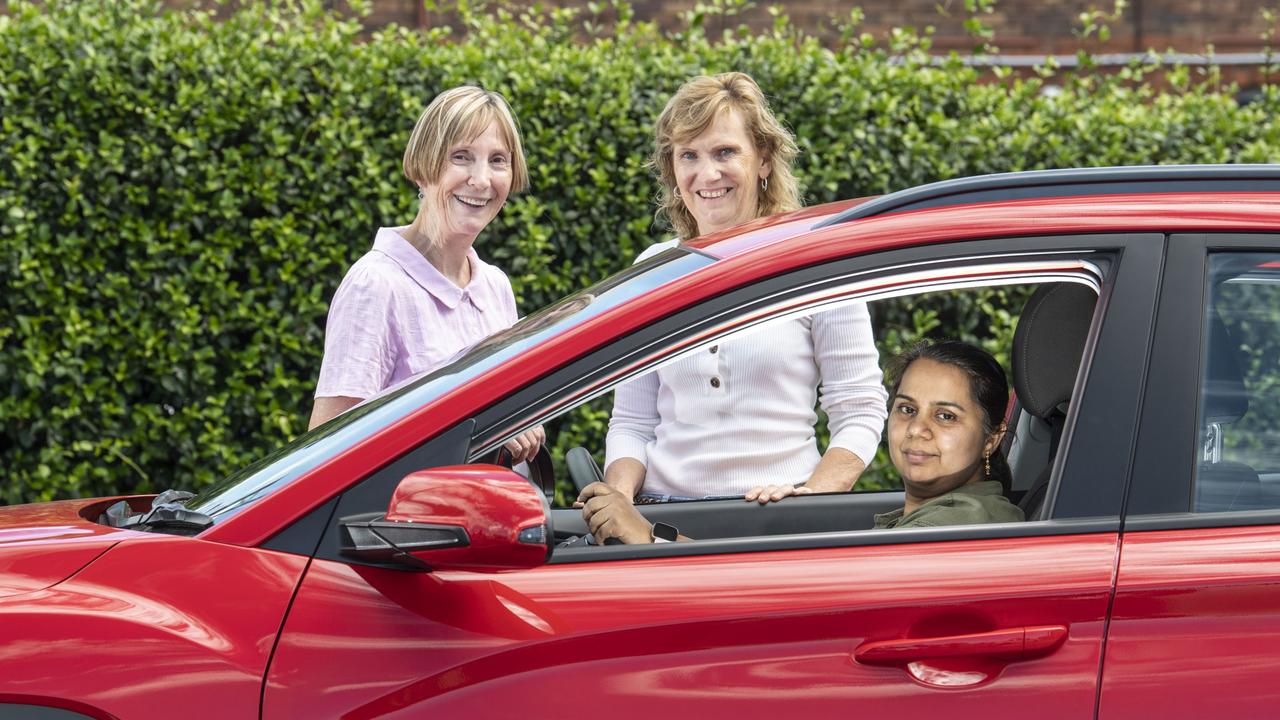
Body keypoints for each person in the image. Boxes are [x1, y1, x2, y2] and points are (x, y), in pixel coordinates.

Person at [602, 72, 887, 506]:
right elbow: (632, 422)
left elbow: (860, 407)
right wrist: (618, 497)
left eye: (725, 152)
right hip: (660, 525)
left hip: (774, 522)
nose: (707, 173)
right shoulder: (652, 272)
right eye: (689, 155)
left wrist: (811, 498)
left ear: (764, 159)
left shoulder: (817, 264)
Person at [579, 340, 1023, 543]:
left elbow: (772, 602)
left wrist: (648, 538)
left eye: (945, 416)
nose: (917, 430)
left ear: (992, 438)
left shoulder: (951, 530)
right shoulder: (930, 514)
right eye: (906, 408)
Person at [309, 86, 543, 461]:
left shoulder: (495, 286)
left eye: (498, 160)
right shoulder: (377, 284)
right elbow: (326, 451)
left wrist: (519, 426)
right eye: (461, 157)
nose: (482, 180)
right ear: (423, 169)